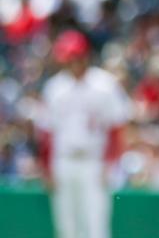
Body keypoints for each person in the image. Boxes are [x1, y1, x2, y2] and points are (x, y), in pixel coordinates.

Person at [38, 30, 132, 238]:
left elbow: (117, 128)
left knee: (95, 225)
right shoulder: (55, 87)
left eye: (75, 57)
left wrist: (111, 164)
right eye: (68, 57)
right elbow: (47, 132)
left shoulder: (104, 85)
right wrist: (47, 167)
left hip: (94, 161)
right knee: (66, 226)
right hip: (63, 161)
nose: (72, 62)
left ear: (85, 56)